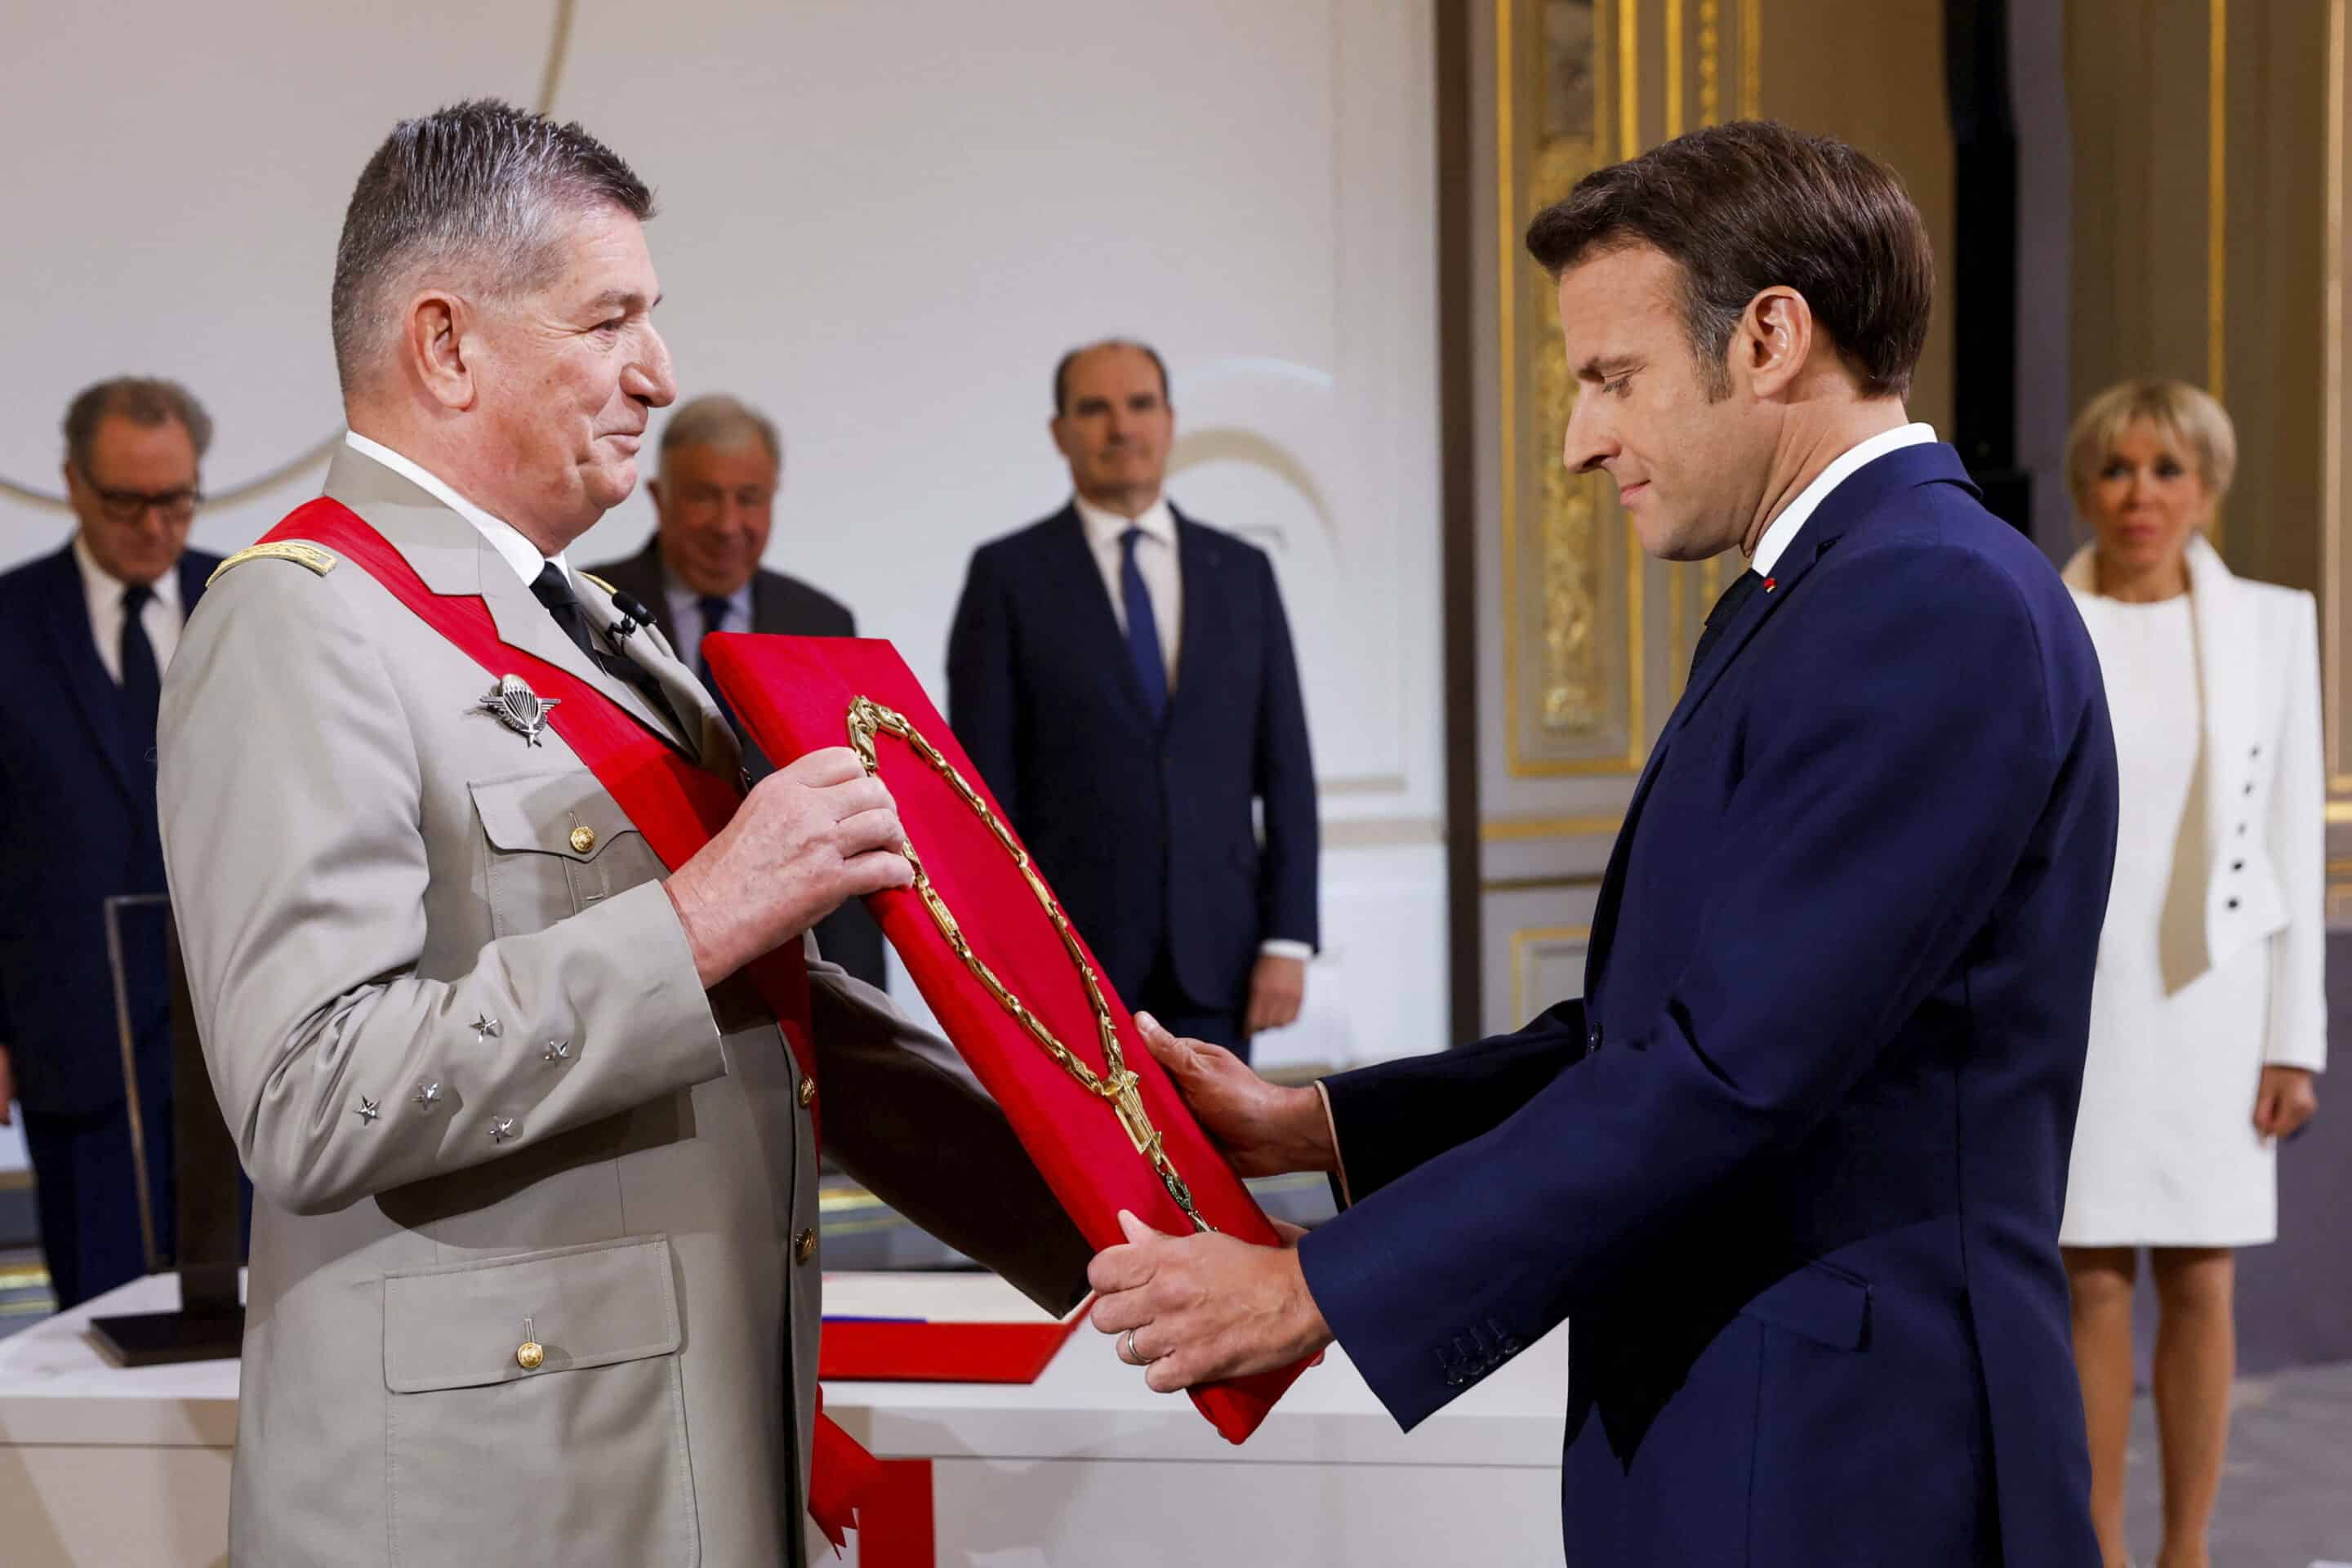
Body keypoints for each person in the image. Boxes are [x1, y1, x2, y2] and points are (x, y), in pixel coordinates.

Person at [1085, 121, 2118, 1566]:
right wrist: (1315, 1127)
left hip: (1848, 1454)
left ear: (1770, 338)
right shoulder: (1833, 590)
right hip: (1762, 1413)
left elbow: (1727, 1072)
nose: (1580, 441)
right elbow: (1646, 1035)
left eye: (1612, 378)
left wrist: (1310, 1292)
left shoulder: (1928, 602)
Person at [159, 100, 1085, 1566]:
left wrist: (1109, 1178)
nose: (658, 372)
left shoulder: (580, 621)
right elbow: (308, 1095)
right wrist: (699, 916)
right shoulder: (299, 620)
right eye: (610, 321)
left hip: (676, 1436)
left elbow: (763, 1007)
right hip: (494, 1497)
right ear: (447, 344)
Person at [2055, 378, 2324, 1568]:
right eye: (2117, 468)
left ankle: (2188, 1553)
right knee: (2092, 1281)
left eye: (2168, 470)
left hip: (2212, 995)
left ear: (2209, 488)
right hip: (2080, 998)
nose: (2141, 493)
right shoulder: (2042, 617)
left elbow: (2290, 839)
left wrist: (2292, 1041)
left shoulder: (2275, 623)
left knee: (2204, 1278)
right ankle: (2102, 1552)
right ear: (2085, 488)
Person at [946, 339, 1318, 1060]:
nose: (1121, 427)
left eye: (1140, 404)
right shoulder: (1007, 578)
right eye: (1095, 409)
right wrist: (1006, 949)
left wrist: (1289, 938)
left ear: (1170, 421)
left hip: (1222, 962)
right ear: (1060, 432)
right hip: (1068, 963)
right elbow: (982, 792)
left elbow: (1287, 769)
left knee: (1216, 1140)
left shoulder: (1244, 573)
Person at [0, 377, 221, 1308]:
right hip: (74, 1044)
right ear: (73, 485)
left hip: (239, 1043)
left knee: (257, 1326)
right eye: (126, 502)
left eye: (176, 500)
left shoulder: (249, 599)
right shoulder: (10, 621)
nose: (153, 526)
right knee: (102, 1320)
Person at [587, 392, 889, 991]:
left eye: (749, 499)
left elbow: (854, 804)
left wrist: (866, 993)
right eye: (704, 496)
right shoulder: (593, 606)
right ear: (659, 498)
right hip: (648, 947)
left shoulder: (821, 621)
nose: (728, 526)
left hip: (804, 957)